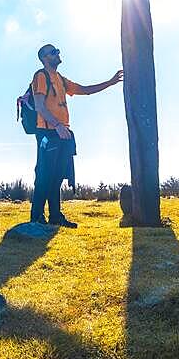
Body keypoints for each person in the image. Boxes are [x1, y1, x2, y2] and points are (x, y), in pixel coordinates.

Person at [30, 44, 123, 227]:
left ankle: (55, 217)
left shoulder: (61, 79)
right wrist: (57, 125)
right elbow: (40, 106)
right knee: (44, 175)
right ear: (44, 58)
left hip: (63, 132)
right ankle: (36, 219)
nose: (58, 54)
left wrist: (110, 82)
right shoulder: (41, 76)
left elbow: (85, 90)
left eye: (57, 51)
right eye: (53, 52)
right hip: (48, 132)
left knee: (57, 176)